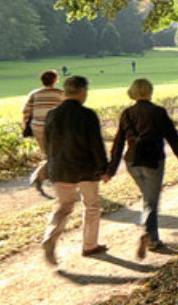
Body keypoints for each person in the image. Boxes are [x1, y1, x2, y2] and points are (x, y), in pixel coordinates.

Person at [106, 78, 178, 260]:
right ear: (150, 91)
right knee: (151, 202)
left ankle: (152, 237)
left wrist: (111, 170)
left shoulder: (126, 114)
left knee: (148, 199)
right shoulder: (158, 112)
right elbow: (173, 136)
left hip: (132, 163)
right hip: (153, 162)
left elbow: (118, 142)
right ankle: (149, 236)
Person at [40, 75, 110, 265]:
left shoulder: (52, 114)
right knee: (92, 206)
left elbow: (47, 144)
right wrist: (104, 168)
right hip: (86, 169)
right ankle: (89, 245)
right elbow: (96, 145)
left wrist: (50, 165)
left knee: (63, 207)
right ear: (82, 92)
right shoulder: (88, 115)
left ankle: (50, 236)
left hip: (60, 169)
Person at [21, 70, 64, 197]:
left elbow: (25, 112)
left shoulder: (34, 94)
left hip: (37, 127)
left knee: (47, 154)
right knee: (57, 154)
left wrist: (26, 127)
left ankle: (52, 179)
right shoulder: (60, 94)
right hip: (55, 128)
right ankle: (39, 177)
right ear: (55, 80)